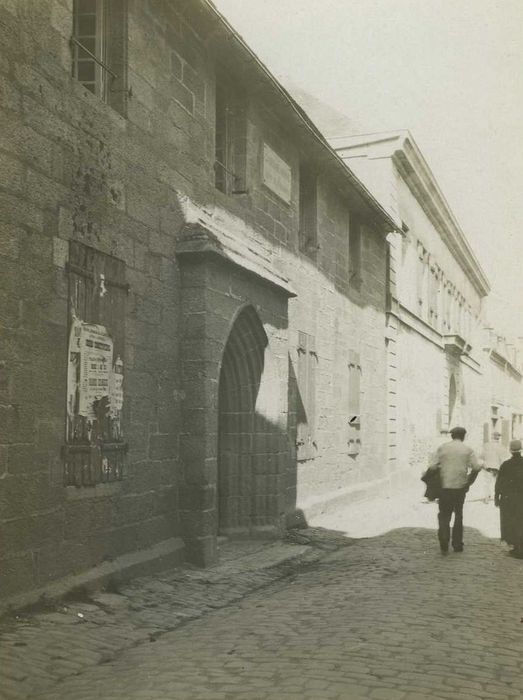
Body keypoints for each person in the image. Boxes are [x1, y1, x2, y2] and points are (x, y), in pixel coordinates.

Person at [427, 426, 481, 554]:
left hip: (444, 487)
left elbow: (433, 467)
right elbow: (476, 467)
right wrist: (469, 480)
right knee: (458, 514)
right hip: (460, 487)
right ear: (463, 436)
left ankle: (444, 541)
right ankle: (457, 544)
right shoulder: (468, 450)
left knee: (444, 514)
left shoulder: (442, 448)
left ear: (452, 436)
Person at [494, 439, 523, 558]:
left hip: (508, 498)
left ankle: (516, 547)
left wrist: (496, 496)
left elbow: (499, 482)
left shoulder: (506, 465)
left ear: (510, 451)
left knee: (510, 521)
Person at [479, 432, 508, 503]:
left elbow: (481, 456)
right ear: (498, 438)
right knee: (497, 483)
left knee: (487, 483)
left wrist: (483, 464)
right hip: (497, 467)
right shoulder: (502, 447)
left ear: (492, 437)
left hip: (487, 467)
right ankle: (497, 497)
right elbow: (504, 459)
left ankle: (487, 497)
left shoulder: (486, 445)